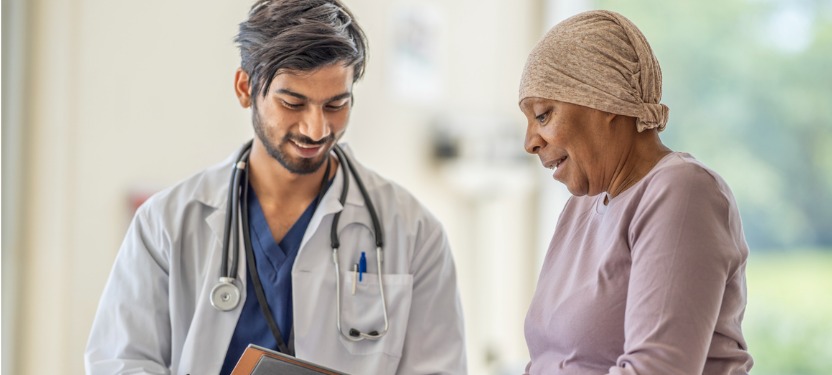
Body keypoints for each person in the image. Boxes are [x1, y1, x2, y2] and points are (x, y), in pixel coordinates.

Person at [84, 1, 467, 374]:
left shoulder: (414, 232)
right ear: (245, 88)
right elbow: (121, 361)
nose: (316, 129)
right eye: (292, 103)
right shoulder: (166, 222)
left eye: (336, 104)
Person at [517, 10, 753, 375]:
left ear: (606, 99)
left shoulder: (682, 191)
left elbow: (656, 369)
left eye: (544, 115)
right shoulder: (579, 208)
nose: (530, 142)